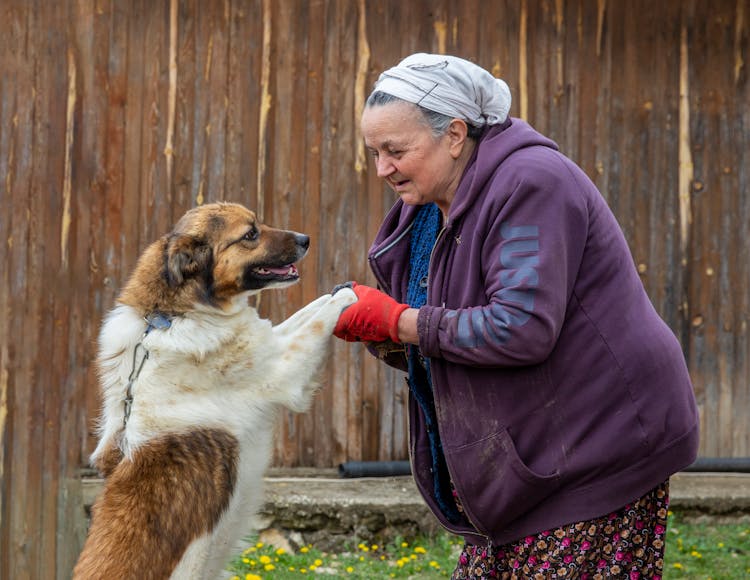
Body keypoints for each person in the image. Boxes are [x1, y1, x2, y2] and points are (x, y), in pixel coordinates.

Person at [332, 53, 699, 579]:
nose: (381, 169)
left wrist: (399, 322)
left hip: (598, 441)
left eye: (395, 150)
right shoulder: (431, 202)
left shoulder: (531, 183)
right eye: (373, 152)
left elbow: (520, 328)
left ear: (455, 134)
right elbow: (448, 322)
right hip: (534, 453)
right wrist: (386, 332)